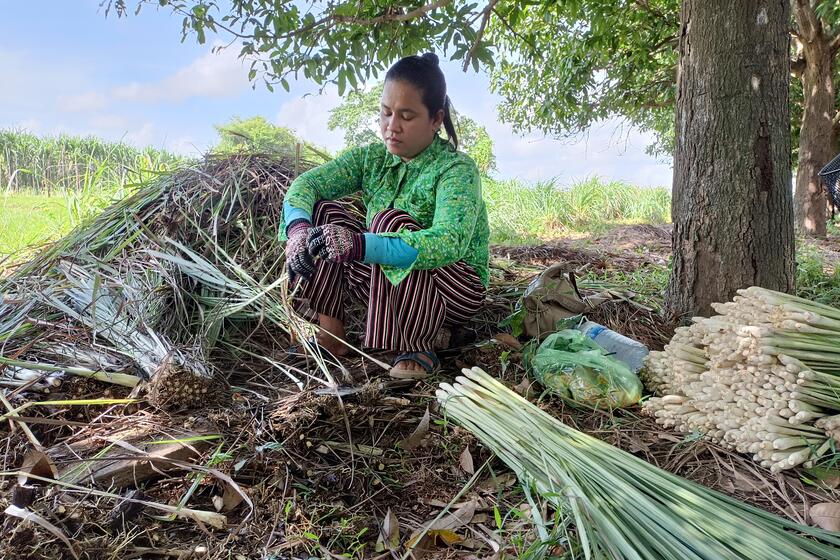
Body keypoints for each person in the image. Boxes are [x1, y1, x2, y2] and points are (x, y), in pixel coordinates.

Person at [281, 52, 489, 378]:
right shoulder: (371, 159)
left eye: (406, 116)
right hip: (387, 285)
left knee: (387, 222)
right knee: (321, 215)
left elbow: (450, 241)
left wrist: (362, 245)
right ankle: (332, 336)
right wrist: (297, 230)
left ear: (435, 119)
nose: (392, 127)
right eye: (386, 113)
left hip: (454, 289)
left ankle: (417, 345)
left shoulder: (456, 169)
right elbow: (306, 184)